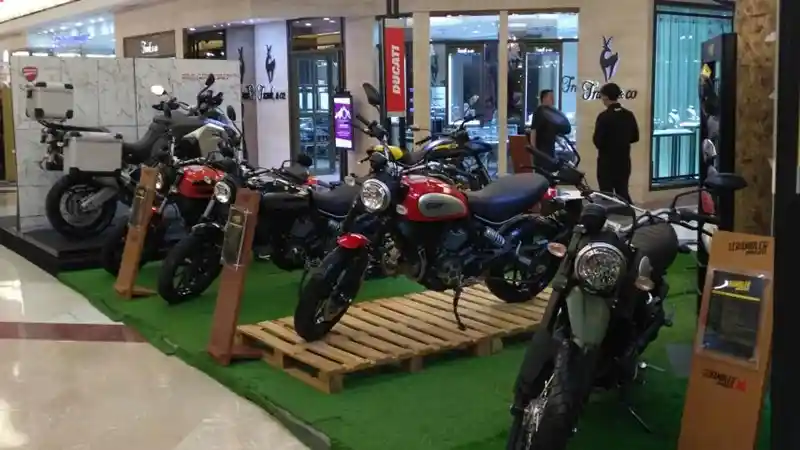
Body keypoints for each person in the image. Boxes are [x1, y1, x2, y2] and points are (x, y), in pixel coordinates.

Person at [593, 82, 639, 203]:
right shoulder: (629, 115)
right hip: (624, 160)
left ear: (605, 96)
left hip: (606, 162)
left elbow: (597, 141)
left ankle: (609, 214)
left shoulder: (604, 116)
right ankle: (628, 212)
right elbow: (635, 137)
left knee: (606, 194)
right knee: (622, 192)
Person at [528, 89, 558, 159]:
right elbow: (533, 131)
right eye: (551, 98)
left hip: (550, 149)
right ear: (544, 98)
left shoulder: (551, 113)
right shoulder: (539, 112)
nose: (553, 100)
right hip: (541, 150)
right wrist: (534, 150)